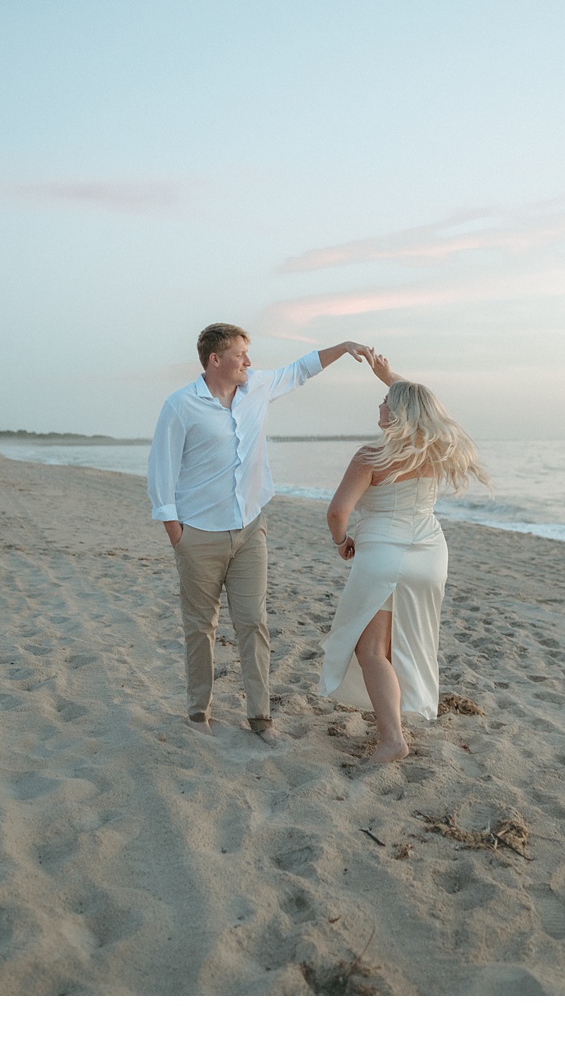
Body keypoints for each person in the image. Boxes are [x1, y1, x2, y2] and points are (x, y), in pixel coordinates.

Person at [147, 322, 374, 744]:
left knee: (254, 622)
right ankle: (199, 714)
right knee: (201, 627)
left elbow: (301, 369)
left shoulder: (257, 388)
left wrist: (343, 347)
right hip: (199, 534)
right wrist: (176, 532)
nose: (249, 363)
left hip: (250, 529)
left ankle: (260, 718)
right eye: (240, 355)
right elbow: (161, 471)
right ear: (215, 360)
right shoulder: (180, 406)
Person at [318, 353, 491, 763]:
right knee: (405, 644)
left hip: (382, 554)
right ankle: (393, 724)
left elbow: (337, 512)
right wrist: (391, 378)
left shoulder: (370, 458)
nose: (379, 404)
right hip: (429, 554)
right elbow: (423, 405)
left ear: (396, 412)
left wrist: (340, 540)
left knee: (372, 650)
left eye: (385, 399)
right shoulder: (436, 451)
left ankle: (392, 739)